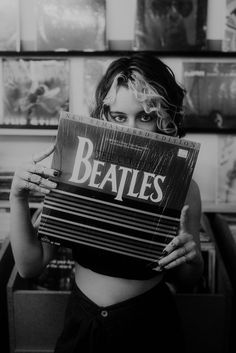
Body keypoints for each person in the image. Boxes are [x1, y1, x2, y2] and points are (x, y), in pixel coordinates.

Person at [10, 53, 204, 353]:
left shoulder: (184, 187)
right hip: (83, 323)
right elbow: (29, 267)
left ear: (164, 119)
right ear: (104, 115)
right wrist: (18, 197)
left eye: (145, 117)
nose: (131, 129)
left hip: (150, 326)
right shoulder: (75, 174)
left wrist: (192, 257)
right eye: (118, 117)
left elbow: (189, 279)